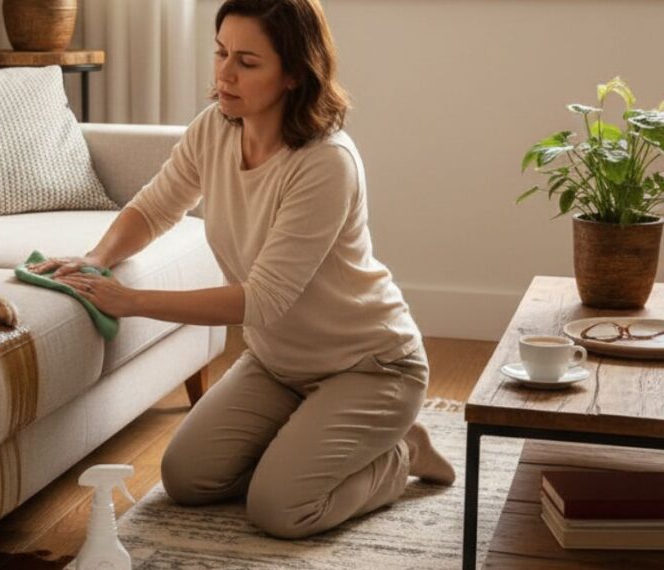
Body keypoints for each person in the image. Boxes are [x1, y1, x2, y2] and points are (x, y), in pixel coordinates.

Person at [28, 0, 455, 539]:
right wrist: (98, 258)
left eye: (248, 62)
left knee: (281, 510)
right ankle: (314, 443)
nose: (225, 74)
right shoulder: (215, 129)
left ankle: (398, 454)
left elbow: (263, 300)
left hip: (369, 367)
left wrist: (133, 302)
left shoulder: (326, 163)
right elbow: (156, 206)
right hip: (279, 365)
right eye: (221, 53)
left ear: (295, 73)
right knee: (187, 479)